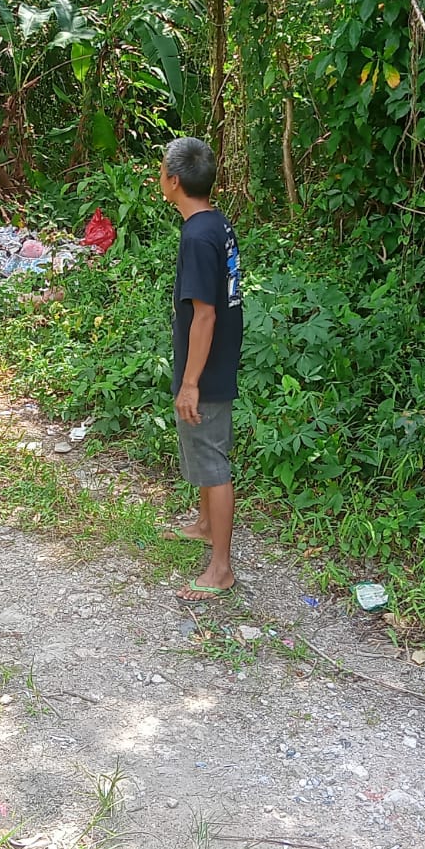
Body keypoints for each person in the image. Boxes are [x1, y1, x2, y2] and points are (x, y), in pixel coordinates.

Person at [159, 137, 243, 600]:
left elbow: (205, 314)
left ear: (173, 181)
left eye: (161, 172)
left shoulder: (196, 236)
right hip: (218, 355)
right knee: (205, 447)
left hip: (206, 364)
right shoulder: (215, 223)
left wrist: (190, 382)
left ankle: (221, 569)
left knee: (212, 460)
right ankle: (206, 525)